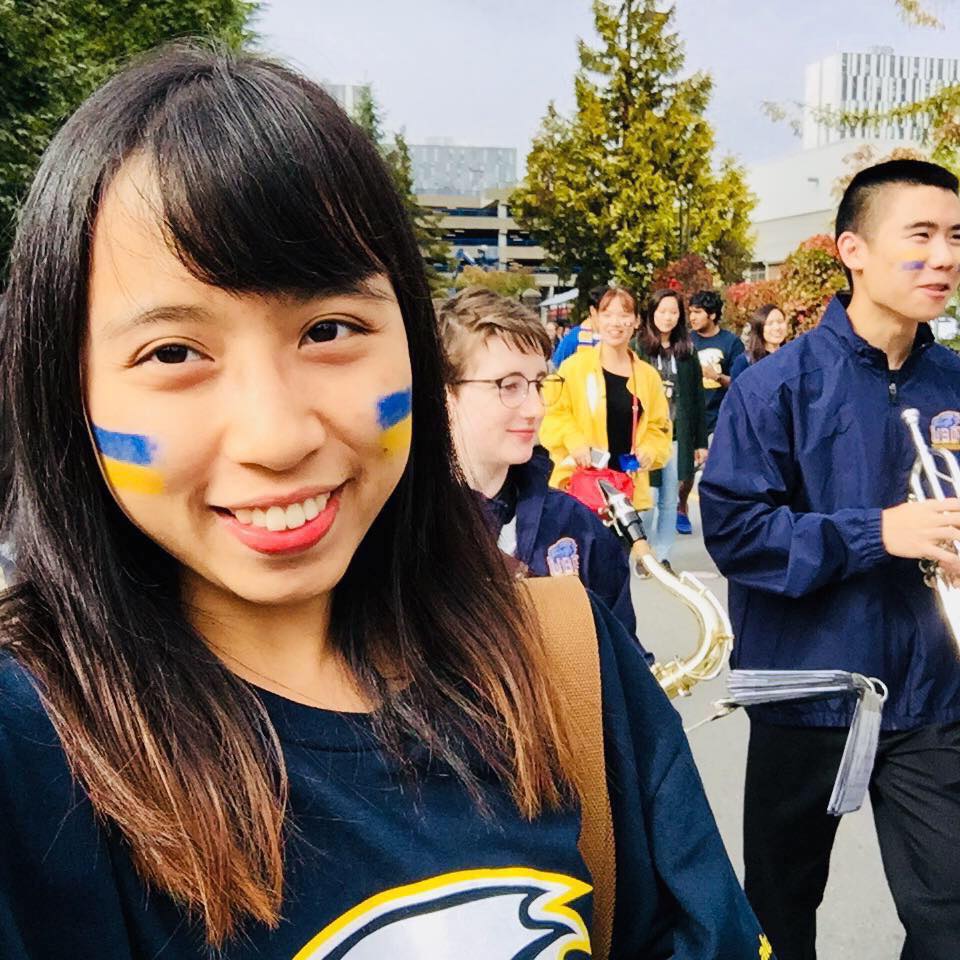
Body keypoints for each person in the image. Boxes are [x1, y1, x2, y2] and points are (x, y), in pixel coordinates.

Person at [0, 43, 770, 960]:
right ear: (65, 390)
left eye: (330, 329)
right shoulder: (32, 761)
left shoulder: (565, 663)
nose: (277, 435)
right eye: (173, 354)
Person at [700, 158, 960, 960]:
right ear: (853, 249)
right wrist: (878, 532)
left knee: (950, 920)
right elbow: (737, 532)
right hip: (805, 691)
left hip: (932, 698)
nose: (944, 257)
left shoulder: (954, 382)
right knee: (779, 917)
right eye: (920, 236)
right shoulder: (774, 388)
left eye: (956, 237)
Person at [440, 287, 644, 652]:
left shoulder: (578, 527)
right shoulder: (399, 530)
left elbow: (623, 659)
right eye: (510, 386)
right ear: (444, 394)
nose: (536, 407)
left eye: (538, 383)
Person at [540, 286, 672, 526]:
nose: (616, 323)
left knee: (618, 559)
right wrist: (574, 441)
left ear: (636, 321)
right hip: (578, 487)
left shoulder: (647, 376)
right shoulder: (573, 368)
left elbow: (659, 427)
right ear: (595, 317)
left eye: (624, 315)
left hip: (625, 491)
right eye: (608, 314)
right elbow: (553, 415)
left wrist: (649, 451)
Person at [635, 290, 708, 572]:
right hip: (646, 437)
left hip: (677, 435)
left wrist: (700, 441)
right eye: (663, 311)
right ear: (652, 313)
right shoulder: (638, 349)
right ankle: (644, 551)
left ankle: (661, 555)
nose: (668, 317)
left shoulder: (687, 352)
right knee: (648, 498)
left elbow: (697, 398)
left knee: (669, 498)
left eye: (674, 312)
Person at [679, 290, 744, 535]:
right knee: (686, 473)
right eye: (691, 312)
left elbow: (739, 381)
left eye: (698, 312)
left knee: (717, 474)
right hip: (692, 416)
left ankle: (720, 518)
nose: (692, 317)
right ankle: (682, 506)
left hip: (720, 418)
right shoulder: (686, 341)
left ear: (713, 314)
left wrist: (716, 376)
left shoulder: (731, 343)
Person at [550, 285, 606, 367]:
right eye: (606, 311)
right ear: (593, 310)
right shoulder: (574, 337)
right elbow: (556, 367)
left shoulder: (616, 338)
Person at [729, 305, 789, 380]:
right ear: (759, 328)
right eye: (770, 323)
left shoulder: (792, 357)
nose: (777, 327)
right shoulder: (745, 361)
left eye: (780, 322)